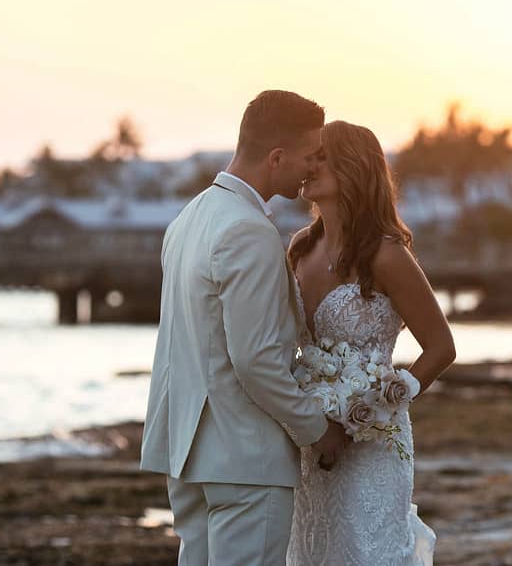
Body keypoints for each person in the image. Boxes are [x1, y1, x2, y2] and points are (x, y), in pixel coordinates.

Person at [140, 90, 348, 566]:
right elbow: (255, 361)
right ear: (276, 157)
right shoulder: (247, 230)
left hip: (188, 454)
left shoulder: (189, 218)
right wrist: (316, 429)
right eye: (309, 156)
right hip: (245, 459)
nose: (311, 168)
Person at [286, 120, 456, 565]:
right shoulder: (300, 251)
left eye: (321, 157)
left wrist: (373, 409)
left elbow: (441, 347)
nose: (309, 165)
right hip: (310, 443)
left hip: (373, 446)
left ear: (353, 168)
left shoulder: (386, 254)